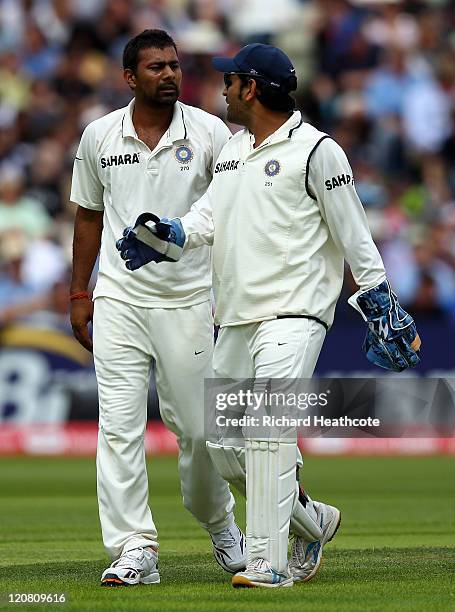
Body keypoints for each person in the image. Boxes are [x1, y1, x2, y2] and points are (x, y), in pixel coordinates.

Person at [117, 43, 421, 588]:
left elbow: (354, 232)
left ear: (251, 88)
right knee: (223, 445)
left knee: (265, 429)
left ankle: (267, 562)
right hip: (235, 315)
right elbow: (205, 220)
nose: (223, 90)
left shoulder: (316, 151)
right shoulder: (233, 151)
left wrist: (379, 300)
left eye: (229, 81)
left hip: (296, 311)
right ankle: (311, 521)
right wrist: (169, 234)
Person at [69, 29, 246, 587]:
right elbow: (88, 217)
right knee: (118, 427)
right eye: (155, 67)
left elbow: (231, 210)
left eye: (174, 65)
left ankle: (220, 525)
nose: (169, 74)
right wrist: (80, 294)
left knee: (198, 432)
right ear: (129, 77)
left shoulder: (210, 131)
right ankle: (134, 547)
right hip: (119, 298)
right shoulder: (100, 135)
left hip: (188, 300)